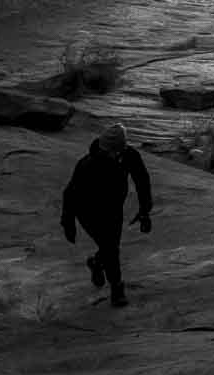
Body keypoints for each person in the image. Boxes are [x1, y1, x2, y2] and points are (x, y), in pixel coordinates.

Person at [60, 122, 153, 306]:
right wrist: (68, 224)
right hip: (88, 210)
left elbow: (142, 180)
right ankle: (117, 289)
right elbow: (70, 194)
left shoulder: (129, 155)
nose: (112, 155)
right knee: (110, 247)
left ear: (122, 149)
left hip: (113, 208)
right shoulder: (88, 165)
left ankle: (96, 262)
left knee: (110, 246)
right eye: (108, 152)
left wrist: (144, 211)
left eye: (116, 152)